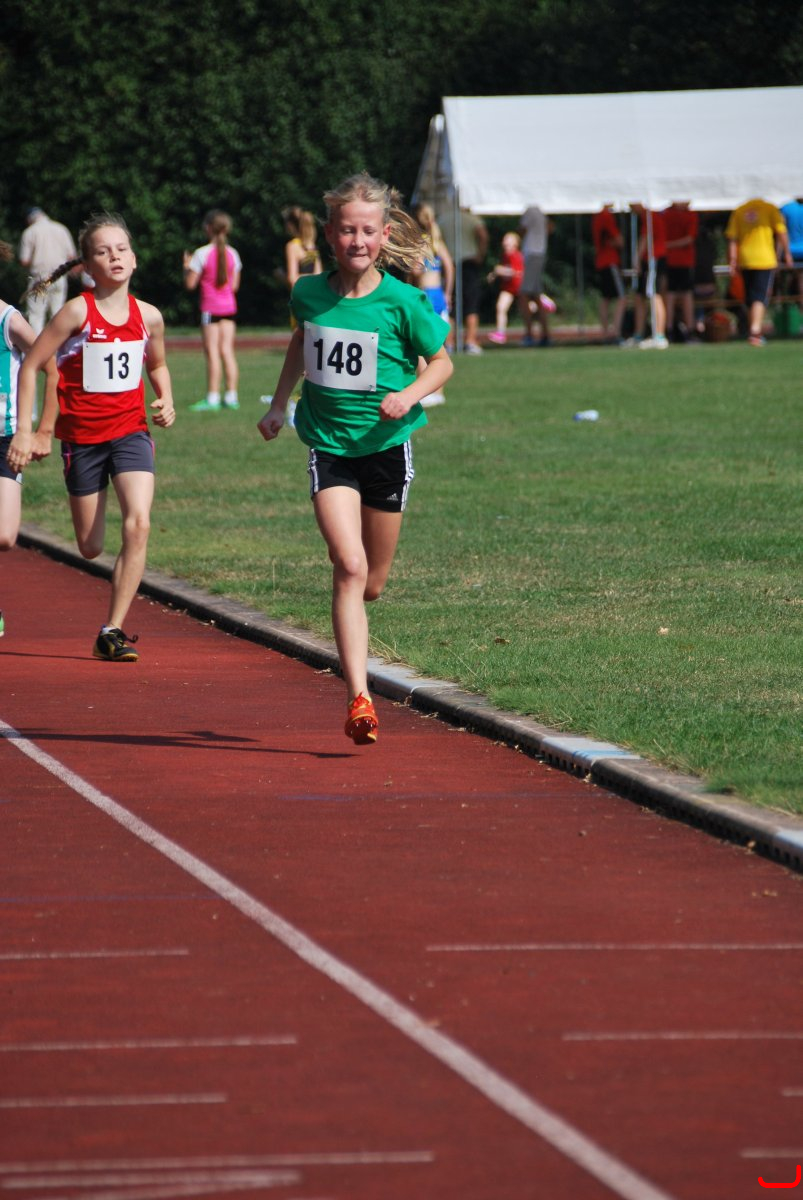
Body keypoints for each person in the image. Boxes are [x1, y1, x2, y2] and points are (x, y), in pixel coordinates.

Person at [256, 172, 452, 745]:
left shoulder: (404, 301)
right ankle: (359, 698)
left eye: (367, 231)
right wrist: (279, 404)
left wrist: (409, 395)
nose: (357, 241)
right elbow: (301, 341)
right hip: (330, 447)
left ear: (384, 235)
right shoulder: (308, 293)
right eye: (346, 231)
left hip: (386, 449)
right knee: (348, 565)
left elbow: (443, 363)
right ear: (329, 234)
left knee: (372, 583)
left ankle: (359, 615)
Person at [8, 212, 176, 662]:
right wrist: (28, 430)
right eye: (103, 251)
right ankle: (109, 620)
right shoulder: (77, 312)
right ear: (86, 266)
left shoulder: (149, 317)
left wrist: (166, 397)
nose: (114, 257)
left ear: (134, 259)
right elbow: (32, 365)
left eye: (121, 249)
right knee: (90, 546)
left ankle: (112, 630)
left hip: (131, 433)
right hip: (82, 440)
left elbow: (157, 364)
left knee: (139, 523)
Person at [0, 300, 58, 637]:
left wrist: (41, 430)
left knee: (5, 535)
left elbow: (50, 366)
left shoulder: (9, 321)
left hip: (5, 438)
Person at [183, 210, 241, 410]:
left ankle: (213, 397)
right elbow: (234, 286)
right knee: (227, 351)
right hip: (229, 308)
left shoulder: (201, 253)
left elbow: (190, 284)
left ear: (208, 228)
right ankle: (232, 397)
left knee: (213, 352)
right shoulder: (233, 253)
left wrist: (186, 267)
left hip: (210, 308)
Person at [725, 198, 792, 346]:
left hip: (745, 259)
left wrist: (733, 259)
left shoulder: (740, 210)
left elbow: (732, 238)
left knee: (750, 297)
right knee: (759, 296)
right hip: (764, 259)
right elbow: (781, 231)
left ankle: (753, 331)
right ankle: (755, 332)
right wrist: (787, 253)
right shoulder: (769, 208)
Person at [410, 202, 453, 406]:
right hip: (438, 295)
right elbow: (449, 266)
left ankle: (426, 390)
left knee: (420, 346)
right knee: (438, 346)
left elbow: (416, 269)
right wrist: (448, 292)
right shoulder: (437, 241)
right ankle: (438, 391)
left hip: (424, 295)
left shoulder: (419, 243)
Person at [18, 207, 79, 335]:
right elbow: (71, 256)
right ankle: (59, 345)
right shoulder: (61, 229)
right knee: (58, 314)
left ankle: (35, 345)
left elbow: (24, 260)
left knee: (36, 316)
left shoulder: (30, 232)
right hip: (60, 276)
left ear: (30, 219)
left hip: (39, 278)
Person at [437, 206, 488, 354]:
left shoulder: (443, 218)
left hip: (450, 262)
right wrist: (481, 254)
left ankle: (449, 343)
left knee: (451, 305)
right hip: (469, 262)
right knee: (471, 303)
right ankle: (470, 341)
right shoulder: (472, 218)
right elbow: (483, 235)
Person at [623, 203, 668, 350]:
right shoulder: (646, 216)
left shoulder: (650, 216)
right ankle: (638, 334)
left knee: (654, 295)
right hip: (649, 259)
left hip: (654, 258)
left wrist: (636, 258)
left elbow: (646, 237)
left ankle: (659, 335)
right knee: (640, 296)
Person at [518, 204, 555, 348]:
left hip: (533, 254)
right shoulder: (541, 212)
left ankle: (529, 334)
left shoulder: (531, 210)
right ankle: (545, 334)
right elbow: (550, 227)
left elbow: (522, 230)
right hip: (539, 253)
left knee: (523, 295)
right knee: (536, 296)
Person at [663, 201, 699, 342]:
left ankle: (672, 330)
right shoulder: (688, 215)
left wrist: (667, 245)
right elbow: (689, 238)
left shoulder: (666, 214)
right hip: (681, 260)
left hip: (676, 260)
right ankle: (684, 330)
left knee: (675, 295)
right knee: (681, 295)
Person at [591, 204, 626, 343]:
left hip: (601, 261)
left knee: (605, 298)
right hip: (610, 261)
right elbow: (619, 241)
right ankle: (615, 332)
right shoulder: (606, 216)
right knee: (621, 297)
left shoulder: (596, 217)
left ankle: (605, 332)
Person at [487, 231, 524, 344]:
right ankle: (500, 333)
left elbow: (516, 272)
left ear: (516, 244)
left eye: (508, 240)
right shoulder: (506, 256)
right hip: (509, 288)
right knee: (501, 307)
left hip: (519, 287)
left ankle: (541, 300)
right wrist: (494, 274)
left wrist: (499, 270)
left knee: (528, 308)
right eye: (504, 240)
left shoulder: (516, 255)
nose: (504, 242)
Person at [282, 206, 322, 289]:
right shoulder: (311, 245)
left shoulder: (292, 246)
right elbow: (318, 274)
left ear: (290, 225)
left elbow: (292, 278)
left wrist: (281, 276)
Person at [780, 198, 803, 311]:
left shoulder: (786, 208)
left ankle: (790, 306)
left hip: (790, 252)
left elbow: (780, 233)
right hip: (794, 253)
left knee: (793, 280)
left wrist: (781, 254)